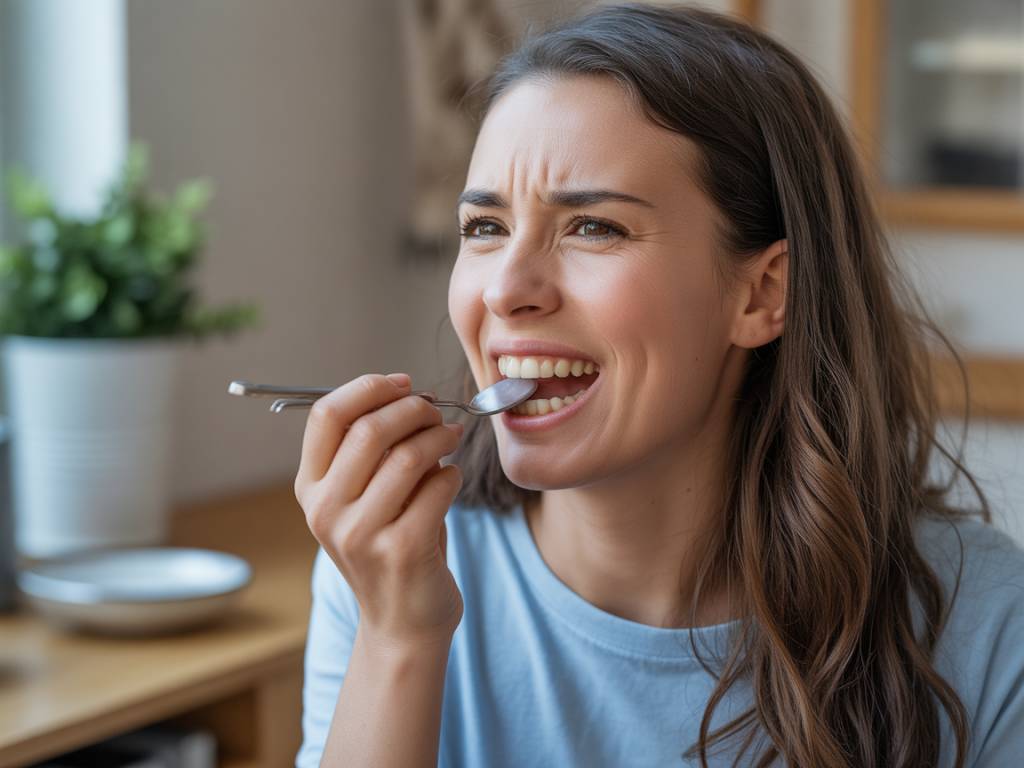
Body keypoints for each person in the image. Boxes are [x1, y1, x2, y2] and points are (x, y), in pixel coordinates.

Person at [293, 4, 1024, 767]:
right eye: (485, 228)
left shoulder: (987, 625)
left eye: (593, 228)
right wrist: (399, 640)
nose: (506, 288)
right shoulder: (393, 568)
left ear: (762, 293)